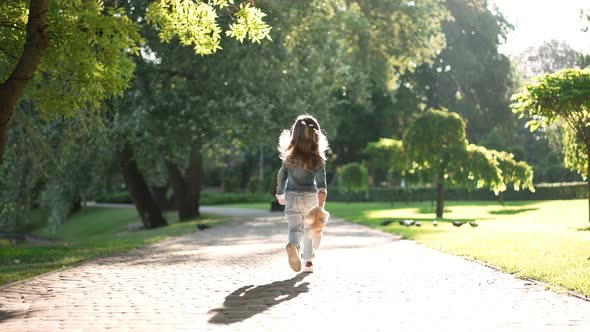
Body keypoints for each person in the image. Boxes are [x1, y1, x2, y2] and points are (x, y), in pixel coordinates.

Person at [276, 114, 329, 273]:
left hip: (291, 196)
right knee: (309, 229)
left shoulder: (289, 157)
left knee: (295, 228)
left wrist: (280, 193)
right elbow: (321, 183)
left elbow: (281, 175)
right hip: (309, 197)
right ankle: (308, 262)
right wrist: (322, 197)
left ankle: (293, 245)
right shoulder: (317, 159)